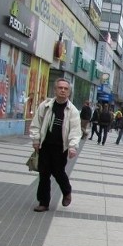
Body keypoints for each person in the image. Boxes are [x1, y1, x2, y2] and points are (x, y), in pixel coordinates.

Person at [28, 78, 81, 212]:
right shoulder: (45, 106)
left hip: (60, 148)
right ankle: (43, 202)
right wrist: (35, 139)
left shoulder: (72, 110)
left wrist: (73, 146)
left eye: (66, 89)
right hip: (45, 146)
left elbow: (75, 131)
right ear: (55, 89)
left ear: (69, 92)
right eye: (60, 88)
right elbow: (36, 124)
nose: (63, 90)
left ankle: (67, 191)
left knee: (58, 172)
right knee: (44, 174)